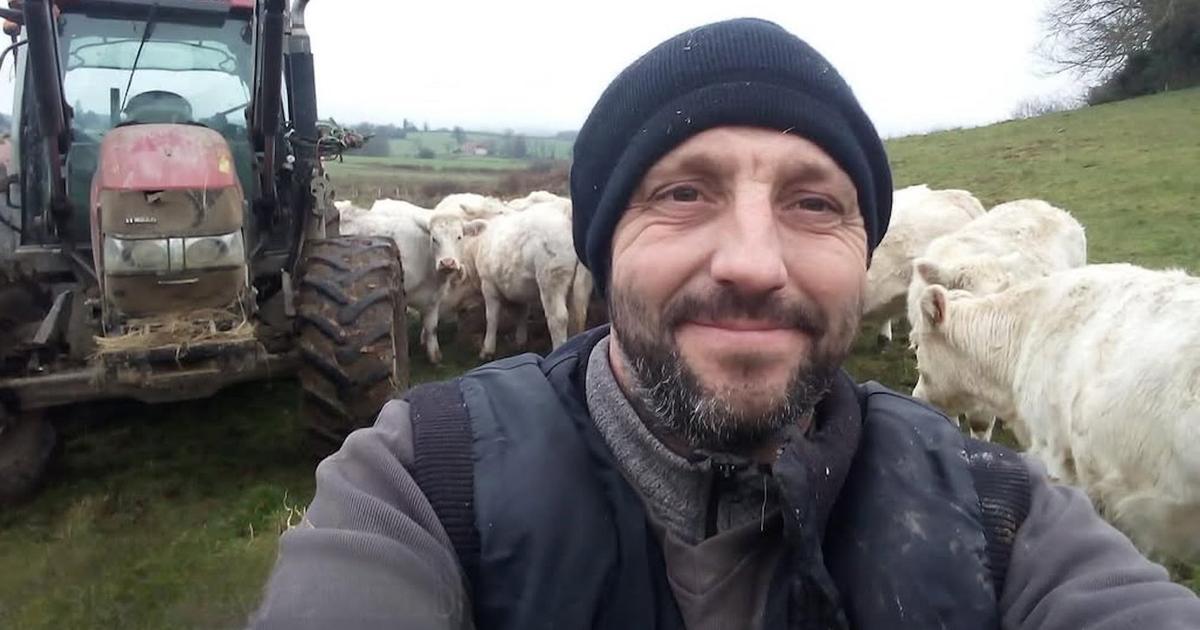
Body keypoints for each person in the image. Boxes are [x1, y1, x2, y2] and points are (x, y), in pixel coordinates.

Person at [251, 18, 1200, 630]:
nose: (753, 260)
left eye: (815, 204)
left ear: (868, 255)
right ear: (601, 245)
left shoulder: (1001, 515)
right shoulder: (425, 481)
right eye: (683, 193)